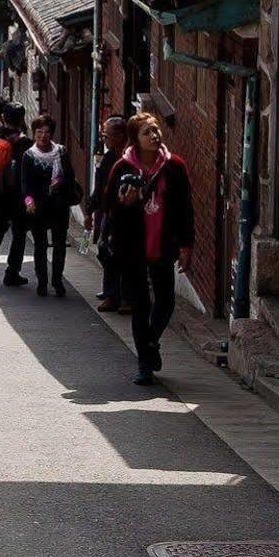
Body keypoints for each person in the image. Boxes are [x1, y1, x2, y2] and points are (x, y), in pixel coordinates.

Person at [103, 112, 195, 384]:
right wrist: (125, 203)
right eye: (147, 132)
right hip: (131, 246)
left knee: (166, 301)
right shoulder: (122, 168)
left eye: (156, 130)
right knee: (140, 305)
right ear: (136, 139)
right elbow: (110, 207)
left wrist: (186, 244)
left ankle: (150, 343)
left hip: (163, 243)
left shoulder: (174, 166)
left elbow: (186, 209)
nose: (154, 136)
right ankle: (144, 363)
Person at [19, 114, 80, 298]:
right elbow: (25, 182)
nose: (43, 135)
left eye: (47, 132)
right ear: (34, 133)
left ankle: (57, 281)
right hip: (38, 207)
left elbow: (70, 175)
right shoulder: (29, 156)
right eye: (39, 132)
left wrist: (60, 180)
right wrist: (28, 201)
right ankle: (42, 282)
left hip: (59, 205)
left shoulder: (60, 152)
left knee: (60, 244)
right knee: (40, 245)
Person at [0, 114, 37, 285]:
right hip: (18, 195)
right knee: (19, 234)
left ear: (4, 117)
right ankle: (12, 272)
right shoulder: (25, 142)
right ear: (21, 120)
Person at [89, 116, 131, 313]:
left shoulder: (128, 160)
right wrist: (90, 210)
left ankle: (125, 297)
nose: (104, 139)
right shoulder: (108, 158)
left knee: (124, 255)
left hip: (126, 215)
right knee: (106, 252)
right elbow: (99, 188)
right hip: (109, 213)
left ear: (120, 136)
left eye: (107, 136)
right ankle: (112, 294)